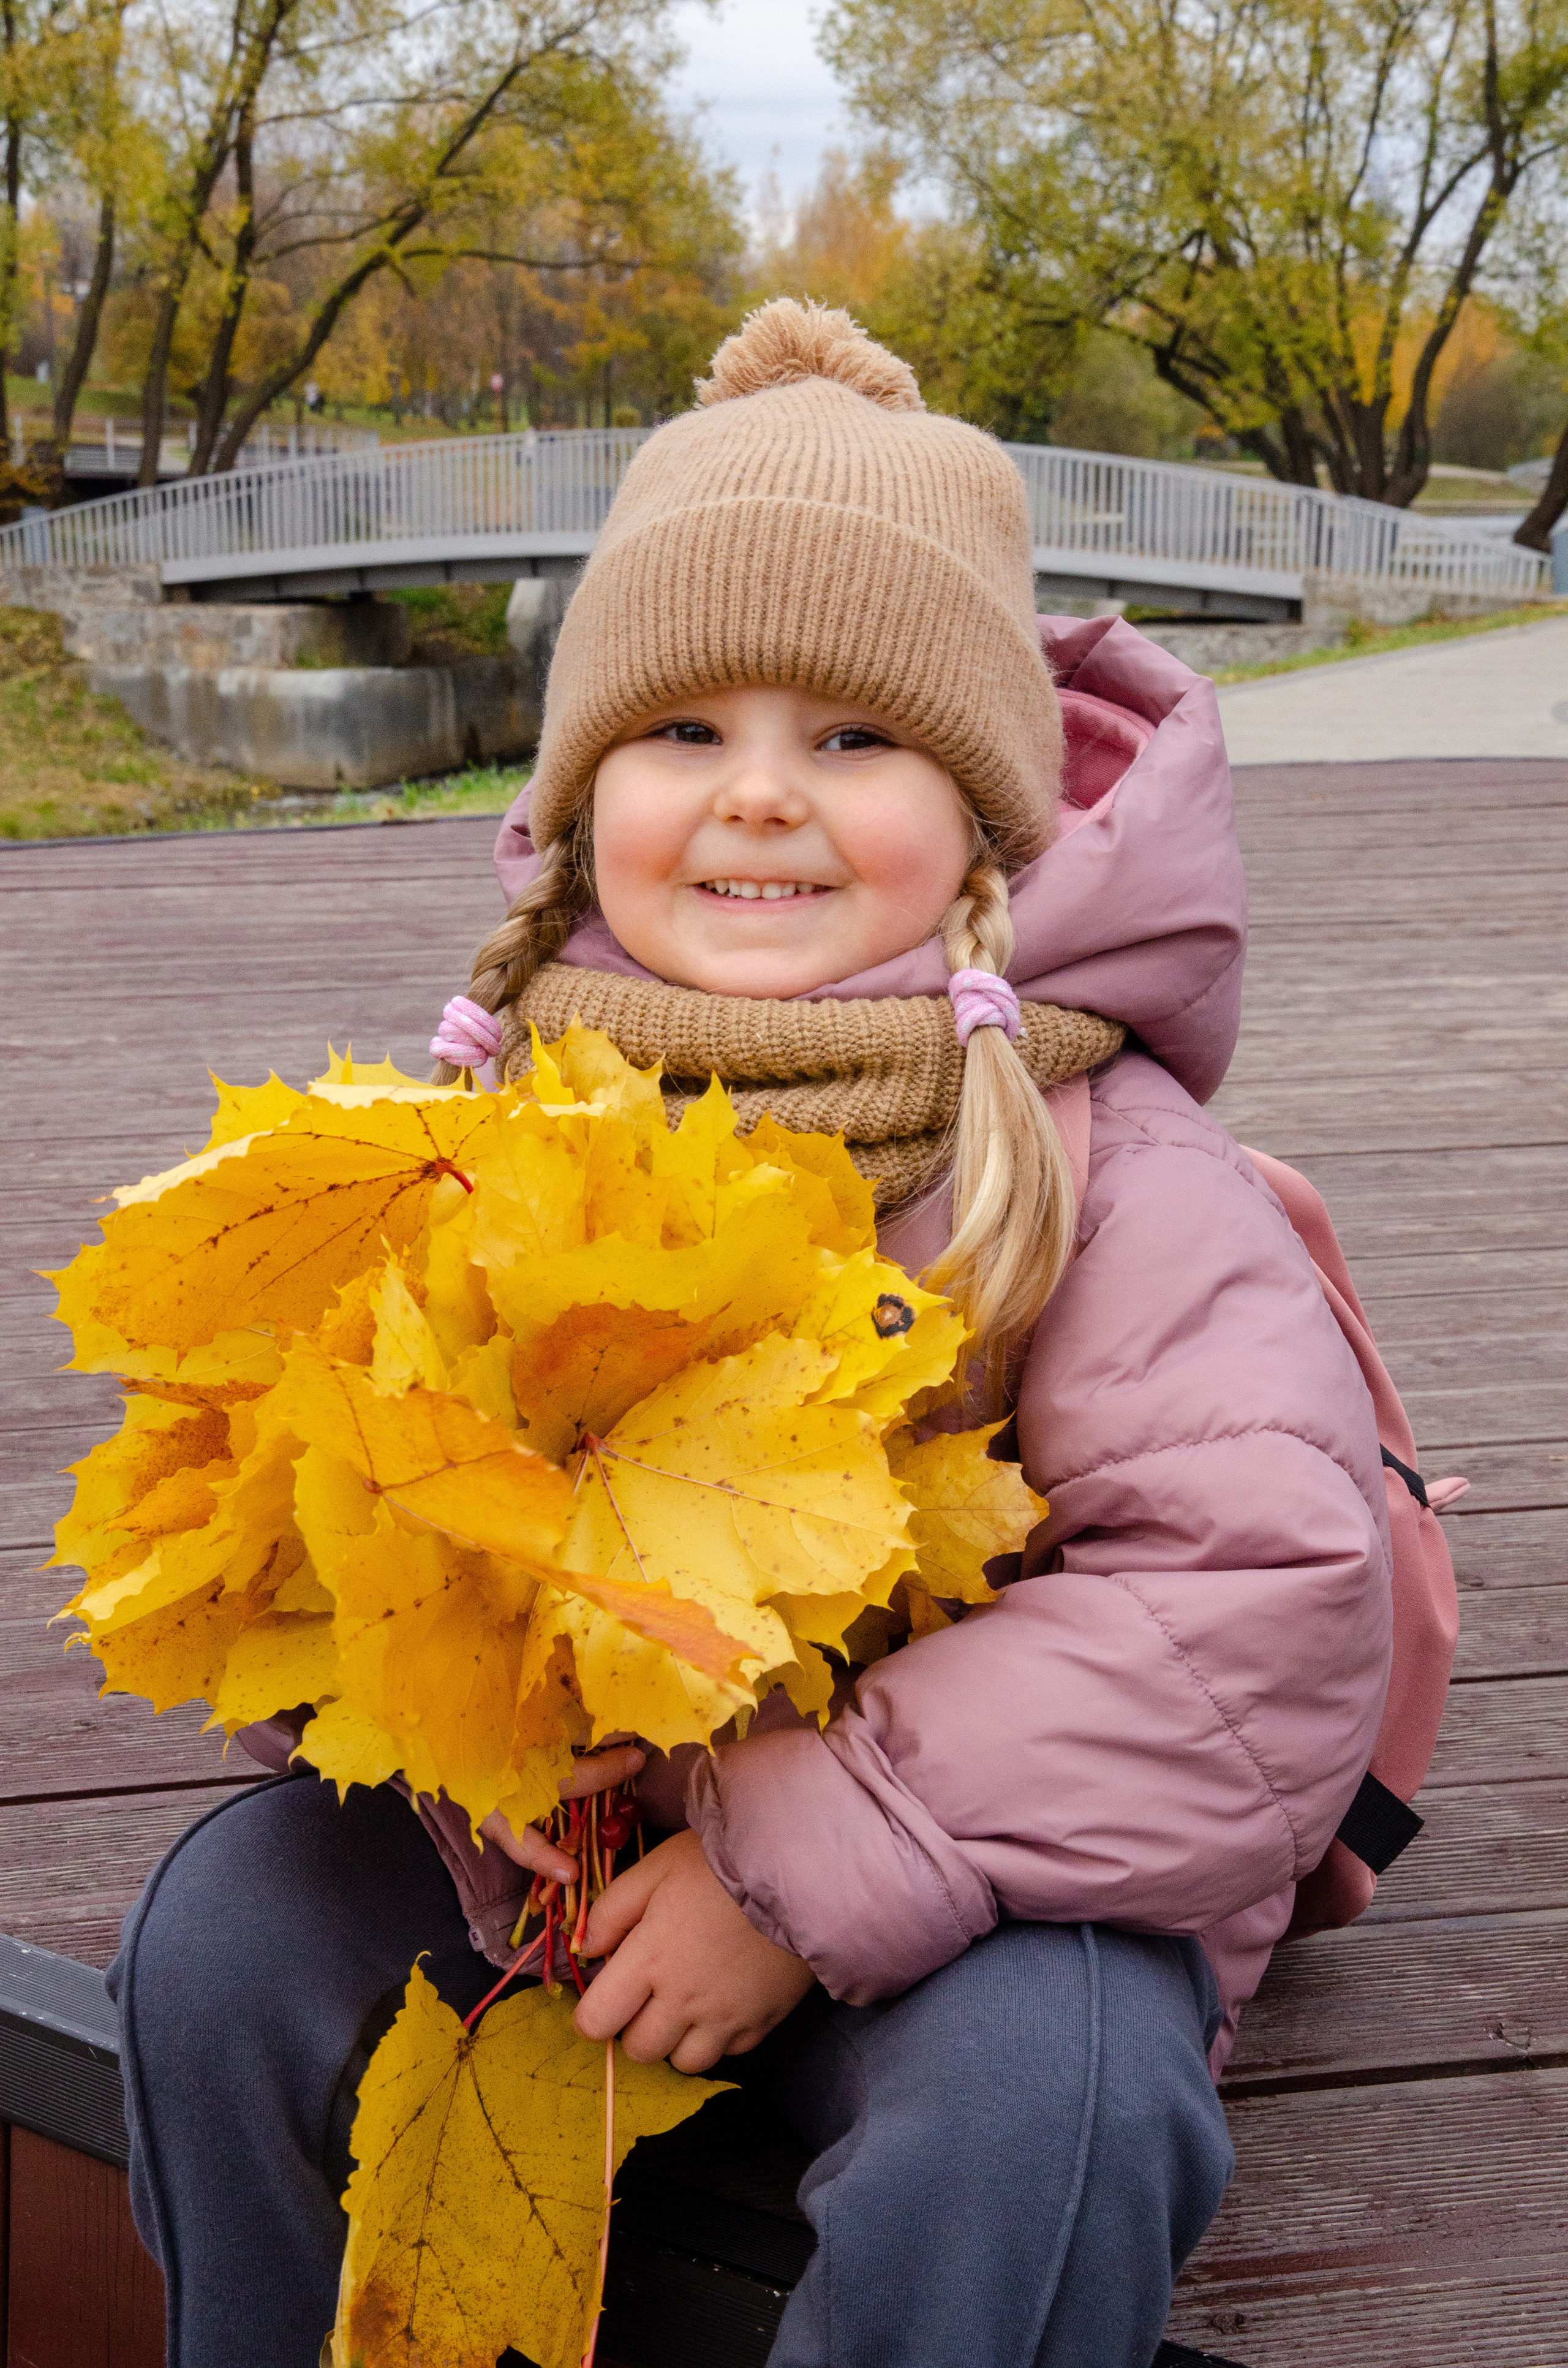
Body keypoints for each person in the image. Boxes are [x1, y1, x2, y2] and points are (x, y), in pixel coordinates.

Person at [109, 301, 1393, 2368]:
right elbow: (314, 1548)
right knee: (227, 1940)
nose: (760, 802)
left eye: (857, 738)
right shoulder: (495, 1115)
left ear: (984, 813)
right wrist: (452, 1746)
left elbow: (1265, 1601)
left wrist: (802, 1867)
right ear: (584, 777)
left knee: (1054, 2096)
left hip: (974, 1882)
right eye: (684, 732)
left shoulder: (1092, 1153)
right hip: (570, 1870)